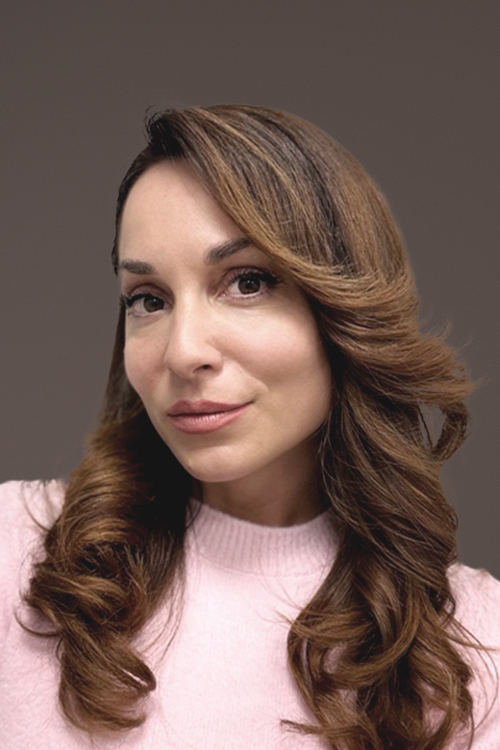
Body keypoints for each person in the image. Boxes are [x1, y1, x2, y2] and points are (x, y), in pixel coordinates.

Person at [0, 104, 499, 750]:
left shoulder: (476, 648)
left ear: (345, 307)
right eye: (148, 299)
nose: (183, 352)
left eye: (247, 283)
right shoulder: (17, 555)